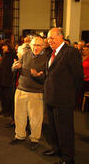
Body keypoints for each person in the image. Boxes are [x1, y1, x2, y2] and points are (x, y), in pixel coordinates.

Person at [40, 28, 83, 164]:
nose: (50, 41)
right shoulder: (50, 53)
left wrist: (71, 95)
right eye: (48, 38)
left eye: (52, 38)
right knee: (53, 128)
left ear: (61, 37)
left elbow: (78, 77)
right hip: (50, 98)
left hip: (64, 100)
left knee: (65, 130)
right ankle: (57, 149)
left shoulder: (71, 52)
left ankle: (68, 157)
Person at [10, 36, 49, 151]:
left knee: (35, 118)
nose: (35, 47)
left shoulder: (47, 58)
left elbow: (47, 76)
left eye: (38, 45)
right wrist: (14, 67)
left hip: (36, 93)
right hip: (21, 90)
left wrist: (38, 76)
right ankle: (19, 135)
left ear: (43, 46)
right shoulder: (25, 54)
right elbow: (15, 69)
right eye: (33, 45)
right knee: (19, 115)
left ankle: (34, 139)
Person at [0, 43, 16, 117]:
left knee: (8, 96)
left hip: (8, 79)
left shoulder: (13, 55)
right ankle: (4, 109)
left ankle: (8, 111)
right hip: (2, 78)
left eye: (4, 46)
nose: (2, 48)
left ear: (8, 47)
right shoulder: (4, 55)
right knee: (2, 96)